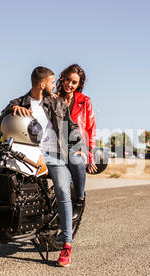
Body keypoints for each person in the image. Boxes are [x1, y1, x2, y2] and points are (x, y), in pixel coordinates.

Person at [0, 66, 84, 267]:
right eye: (52, 82)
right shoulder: (18, 103)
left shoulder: (57, 103)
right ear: (42, 85)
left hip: (53, 155)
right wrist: (11, 112)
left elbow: (72, 127)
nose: (55, 85)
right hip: (27, 154)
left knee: (62, 190)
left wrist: (77, 146)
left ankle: (67, 245)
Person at [55, 64, 97, 210]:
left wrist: (90, 155)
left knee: (77, 162)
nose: (70, 85)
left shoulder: (84, 101)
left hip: (78, 147)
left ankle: (80, 197)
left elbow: (91, 129)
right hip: (56, 146)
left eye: (74, 82)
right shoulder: (54, 99)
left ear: (79, 85)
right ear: (63, 79)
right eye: (68, 80)